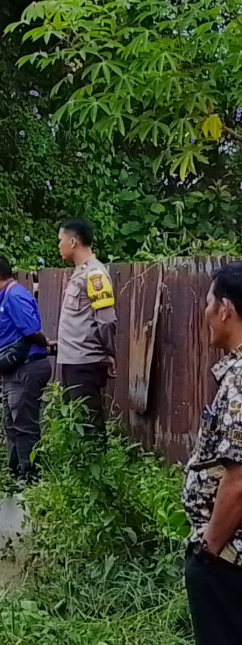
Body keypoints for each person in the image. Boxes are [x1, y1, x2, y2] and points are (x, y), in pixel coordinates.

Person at [183, 262, 242, 644]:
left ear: (225, 309)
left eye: (207, 302)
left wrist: (209, 550)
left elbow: (239, 481)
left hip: (230, 561)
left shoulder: (240, 383)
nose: (205, 313)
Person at [0, 255, 51, 484]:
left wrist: (45, 344)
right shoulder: (7, 297)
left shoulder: (15, 296)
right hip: (14, 370)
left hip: (27, 367)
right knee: (11, 422)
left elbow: (32, 330)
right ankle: (15, 471)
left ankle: (29, 474)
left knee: (24, 423)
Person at [55, 219, 117, 437]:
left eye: (60, 240)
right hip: (72, 358)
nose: (58, 246)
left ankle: (97, 467)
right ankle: (80, 468)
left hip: (85, 360)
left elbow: (106, 320)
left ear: (73, 242)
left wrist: (108, 353)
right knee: (76, 421)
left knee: (89, 423)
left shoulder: (95, 274)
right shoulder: (79, 272)